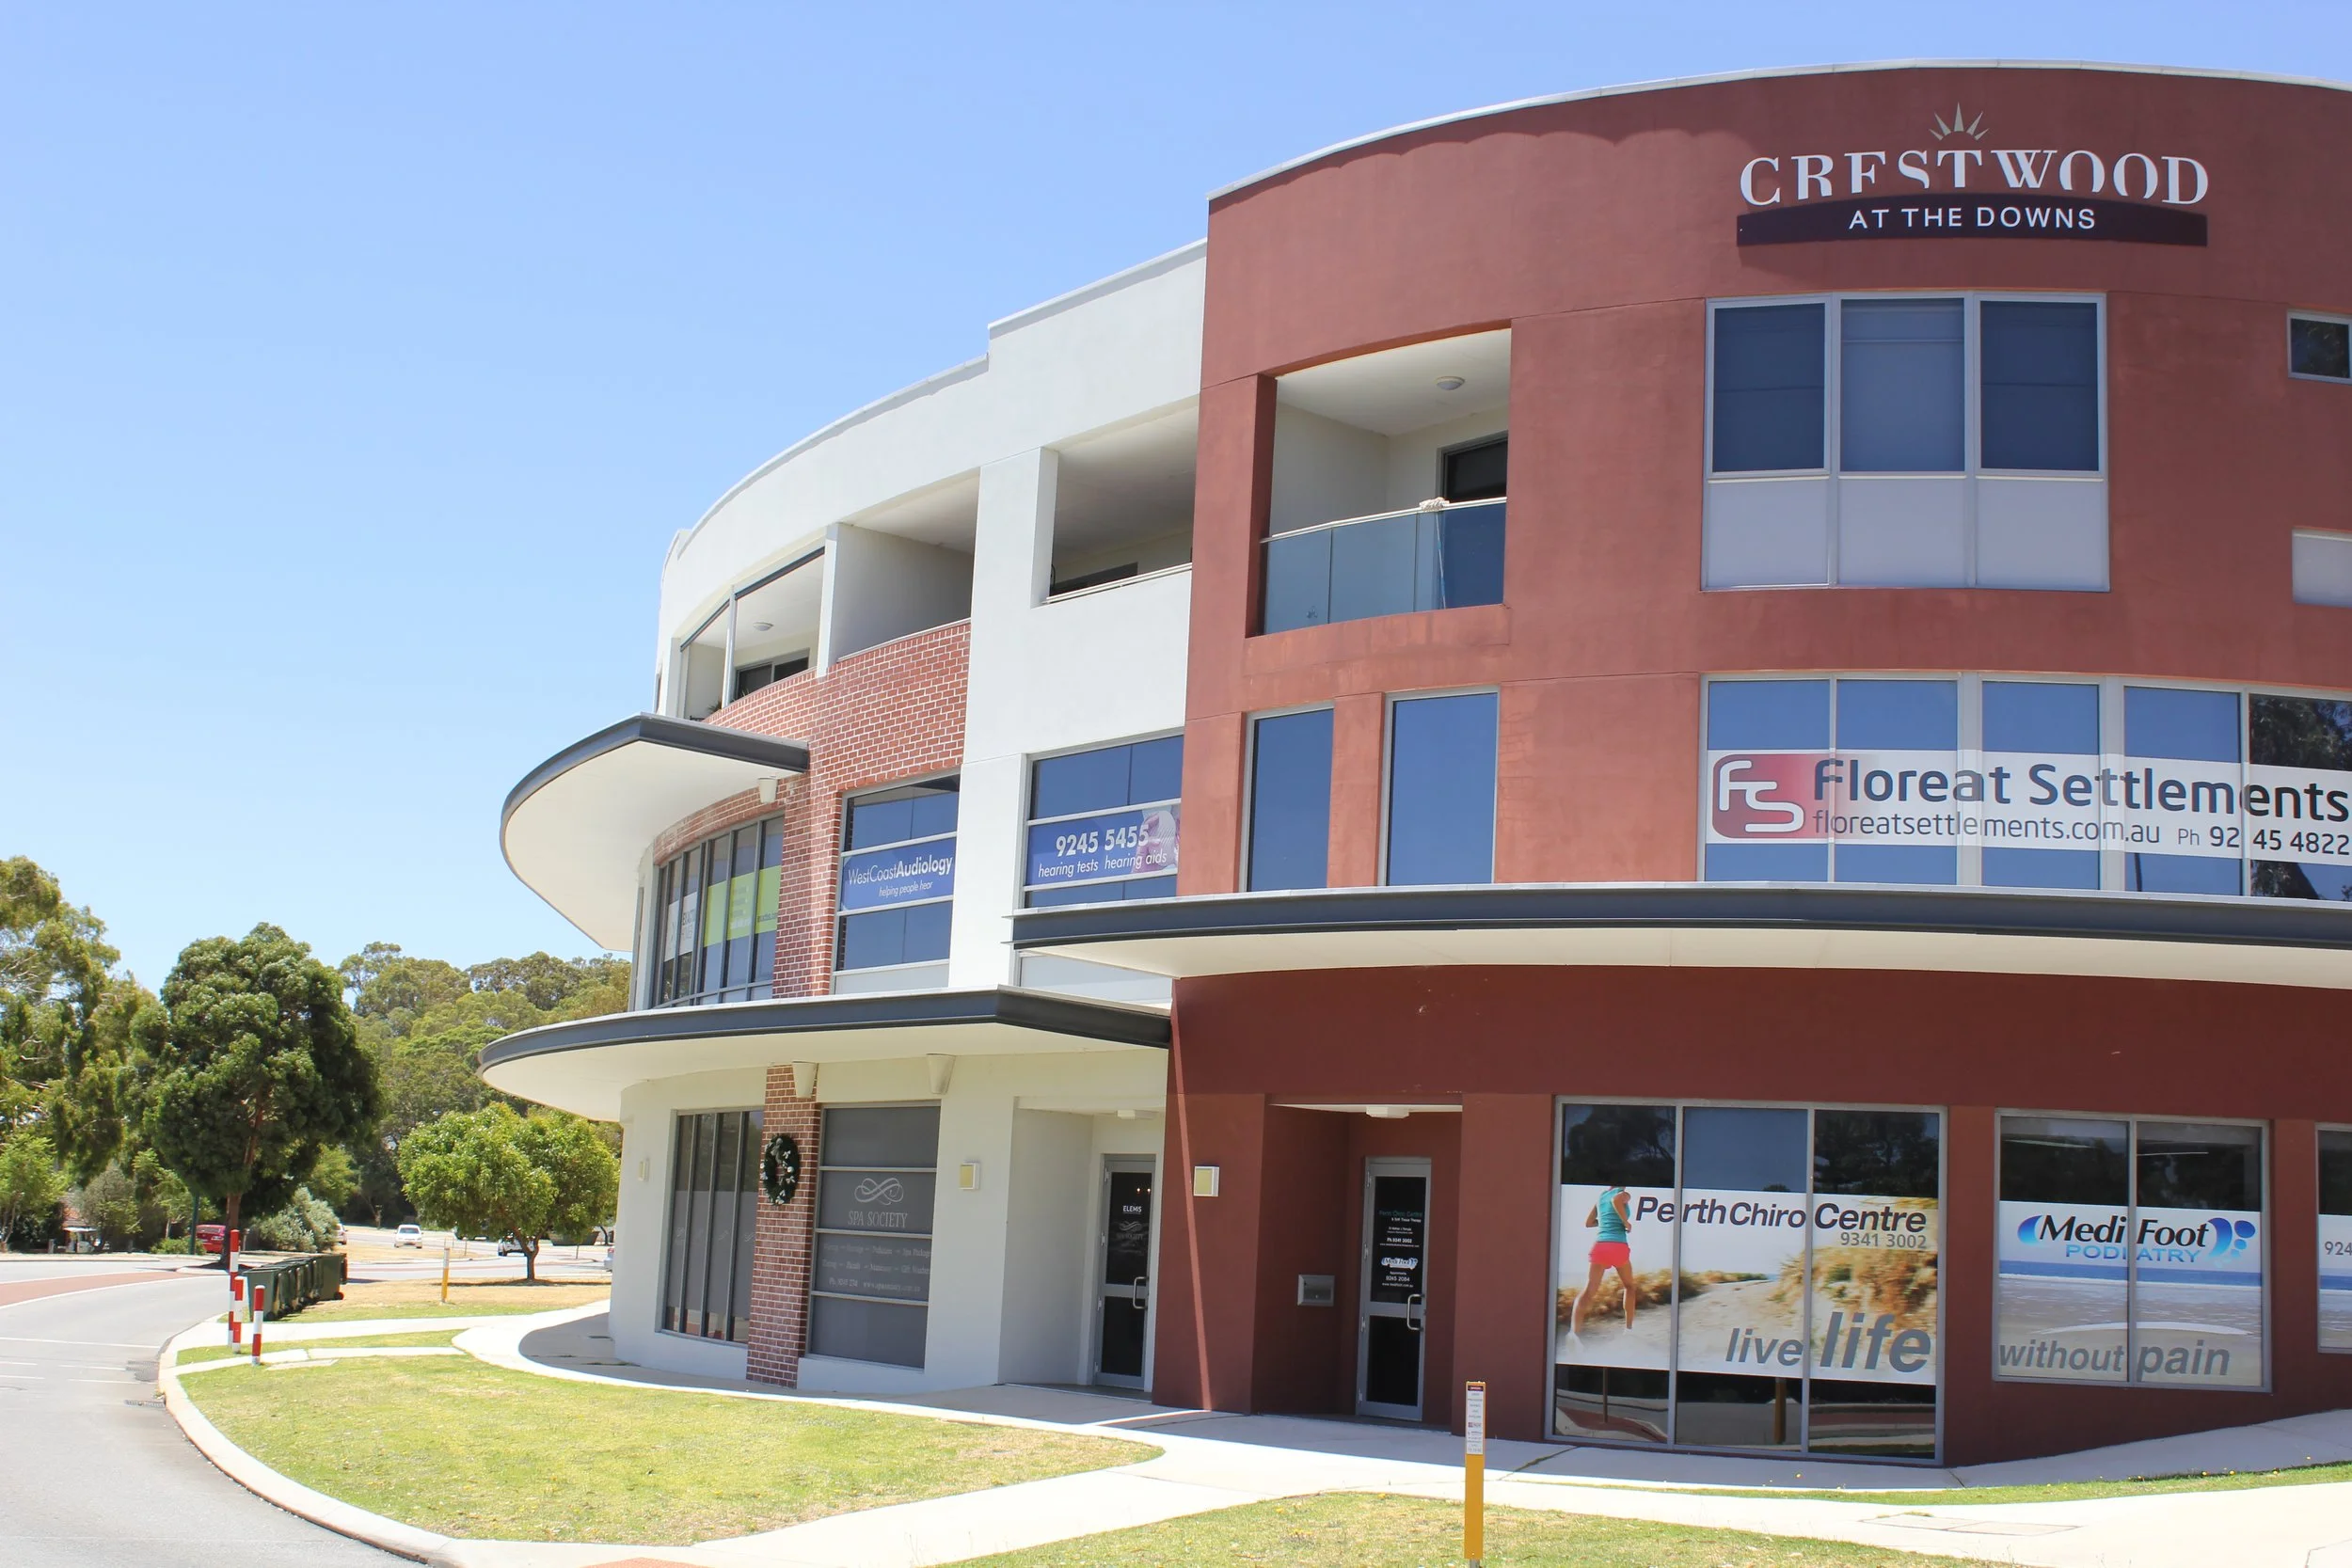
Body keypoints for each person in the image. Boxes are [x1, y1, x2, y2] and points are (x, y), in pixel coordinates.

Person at [1570, 1180, 1637, 1337]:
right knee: (1630, 1286)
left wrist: (1606, 1222)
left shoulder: (1601, 1197)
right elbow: (1616, 1200)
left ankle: (1574, 1333)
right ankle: (1628, 1330)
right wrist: (1625, 1222)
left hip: (1600, 1246)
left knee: (1588, 1291)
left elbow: (1588, 1223)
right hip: (1618, 1246)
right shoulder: (1623, 1194)